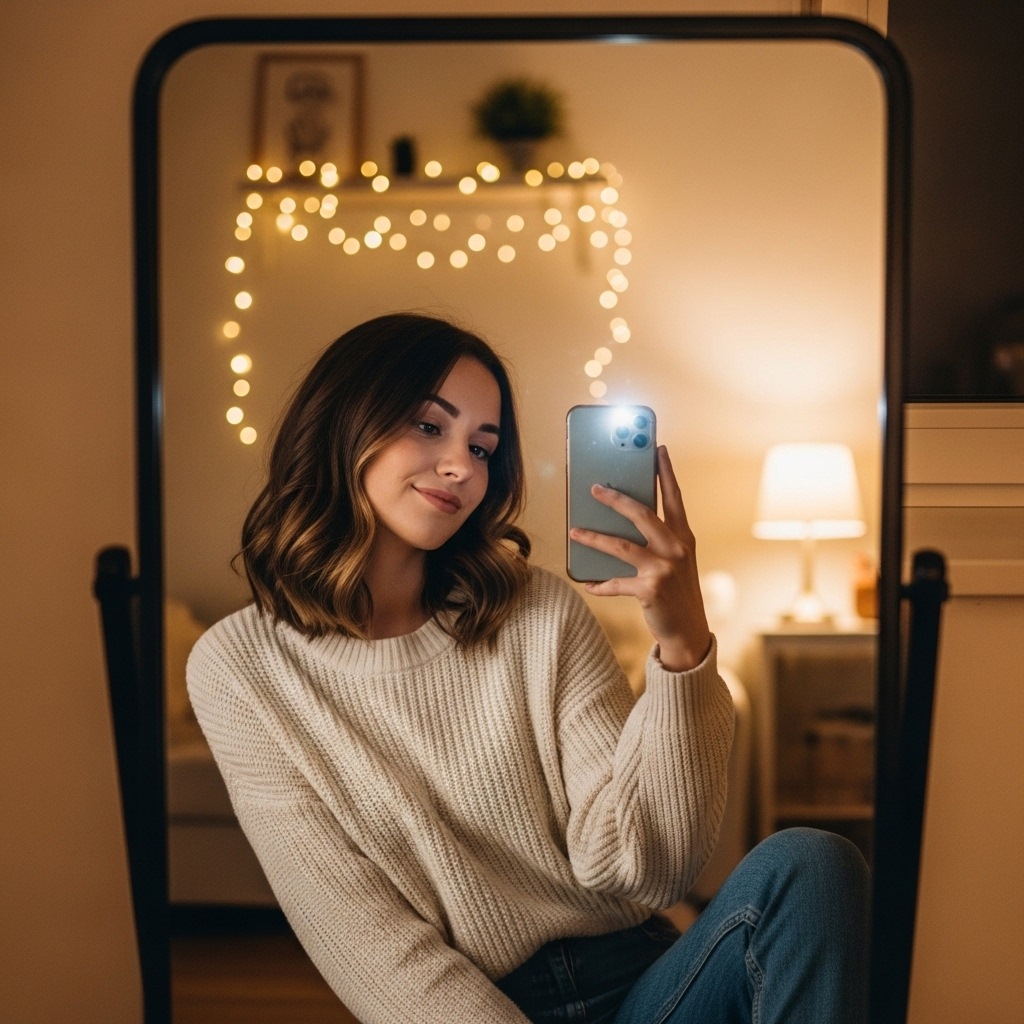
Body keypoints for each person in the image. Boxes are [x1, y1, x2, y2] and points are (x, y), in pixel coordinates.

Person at [187, 313, 870, 1024]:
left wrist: (683, 645)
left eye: (483, 447)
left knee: (814, 864)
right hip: (484, 1008)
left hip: (648, 987)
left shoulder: (537, 610)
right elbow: (363, 938)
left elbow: (647, 866)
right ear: (341, 425)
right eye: (430, 427)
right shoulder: (239, 669)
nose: (462, 466)